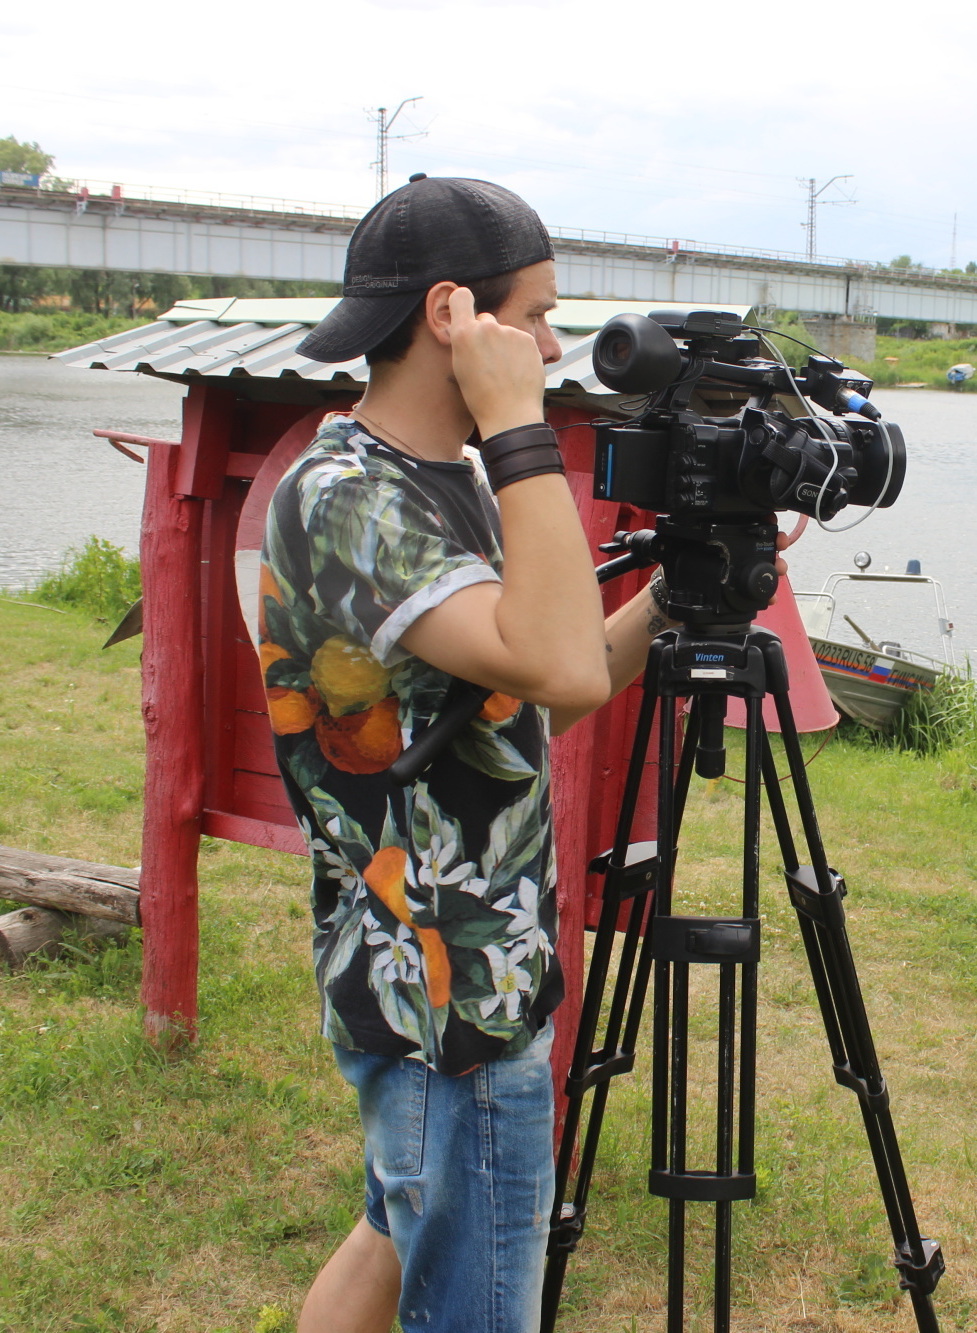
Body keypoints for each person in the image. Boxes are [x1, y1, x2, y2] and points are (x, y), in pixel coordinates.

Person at [253, 175, 681, 1333]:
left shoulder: (438, 486)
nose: (550, 345)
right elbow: (559, 669)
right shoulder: (350, 498)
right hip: (446, 994)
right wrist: (517, 428)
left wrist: (682, 590)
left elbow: (533, 694)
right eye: (534, 317)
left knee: (397, 1225)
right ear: (452, 315)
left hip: (453, 963)